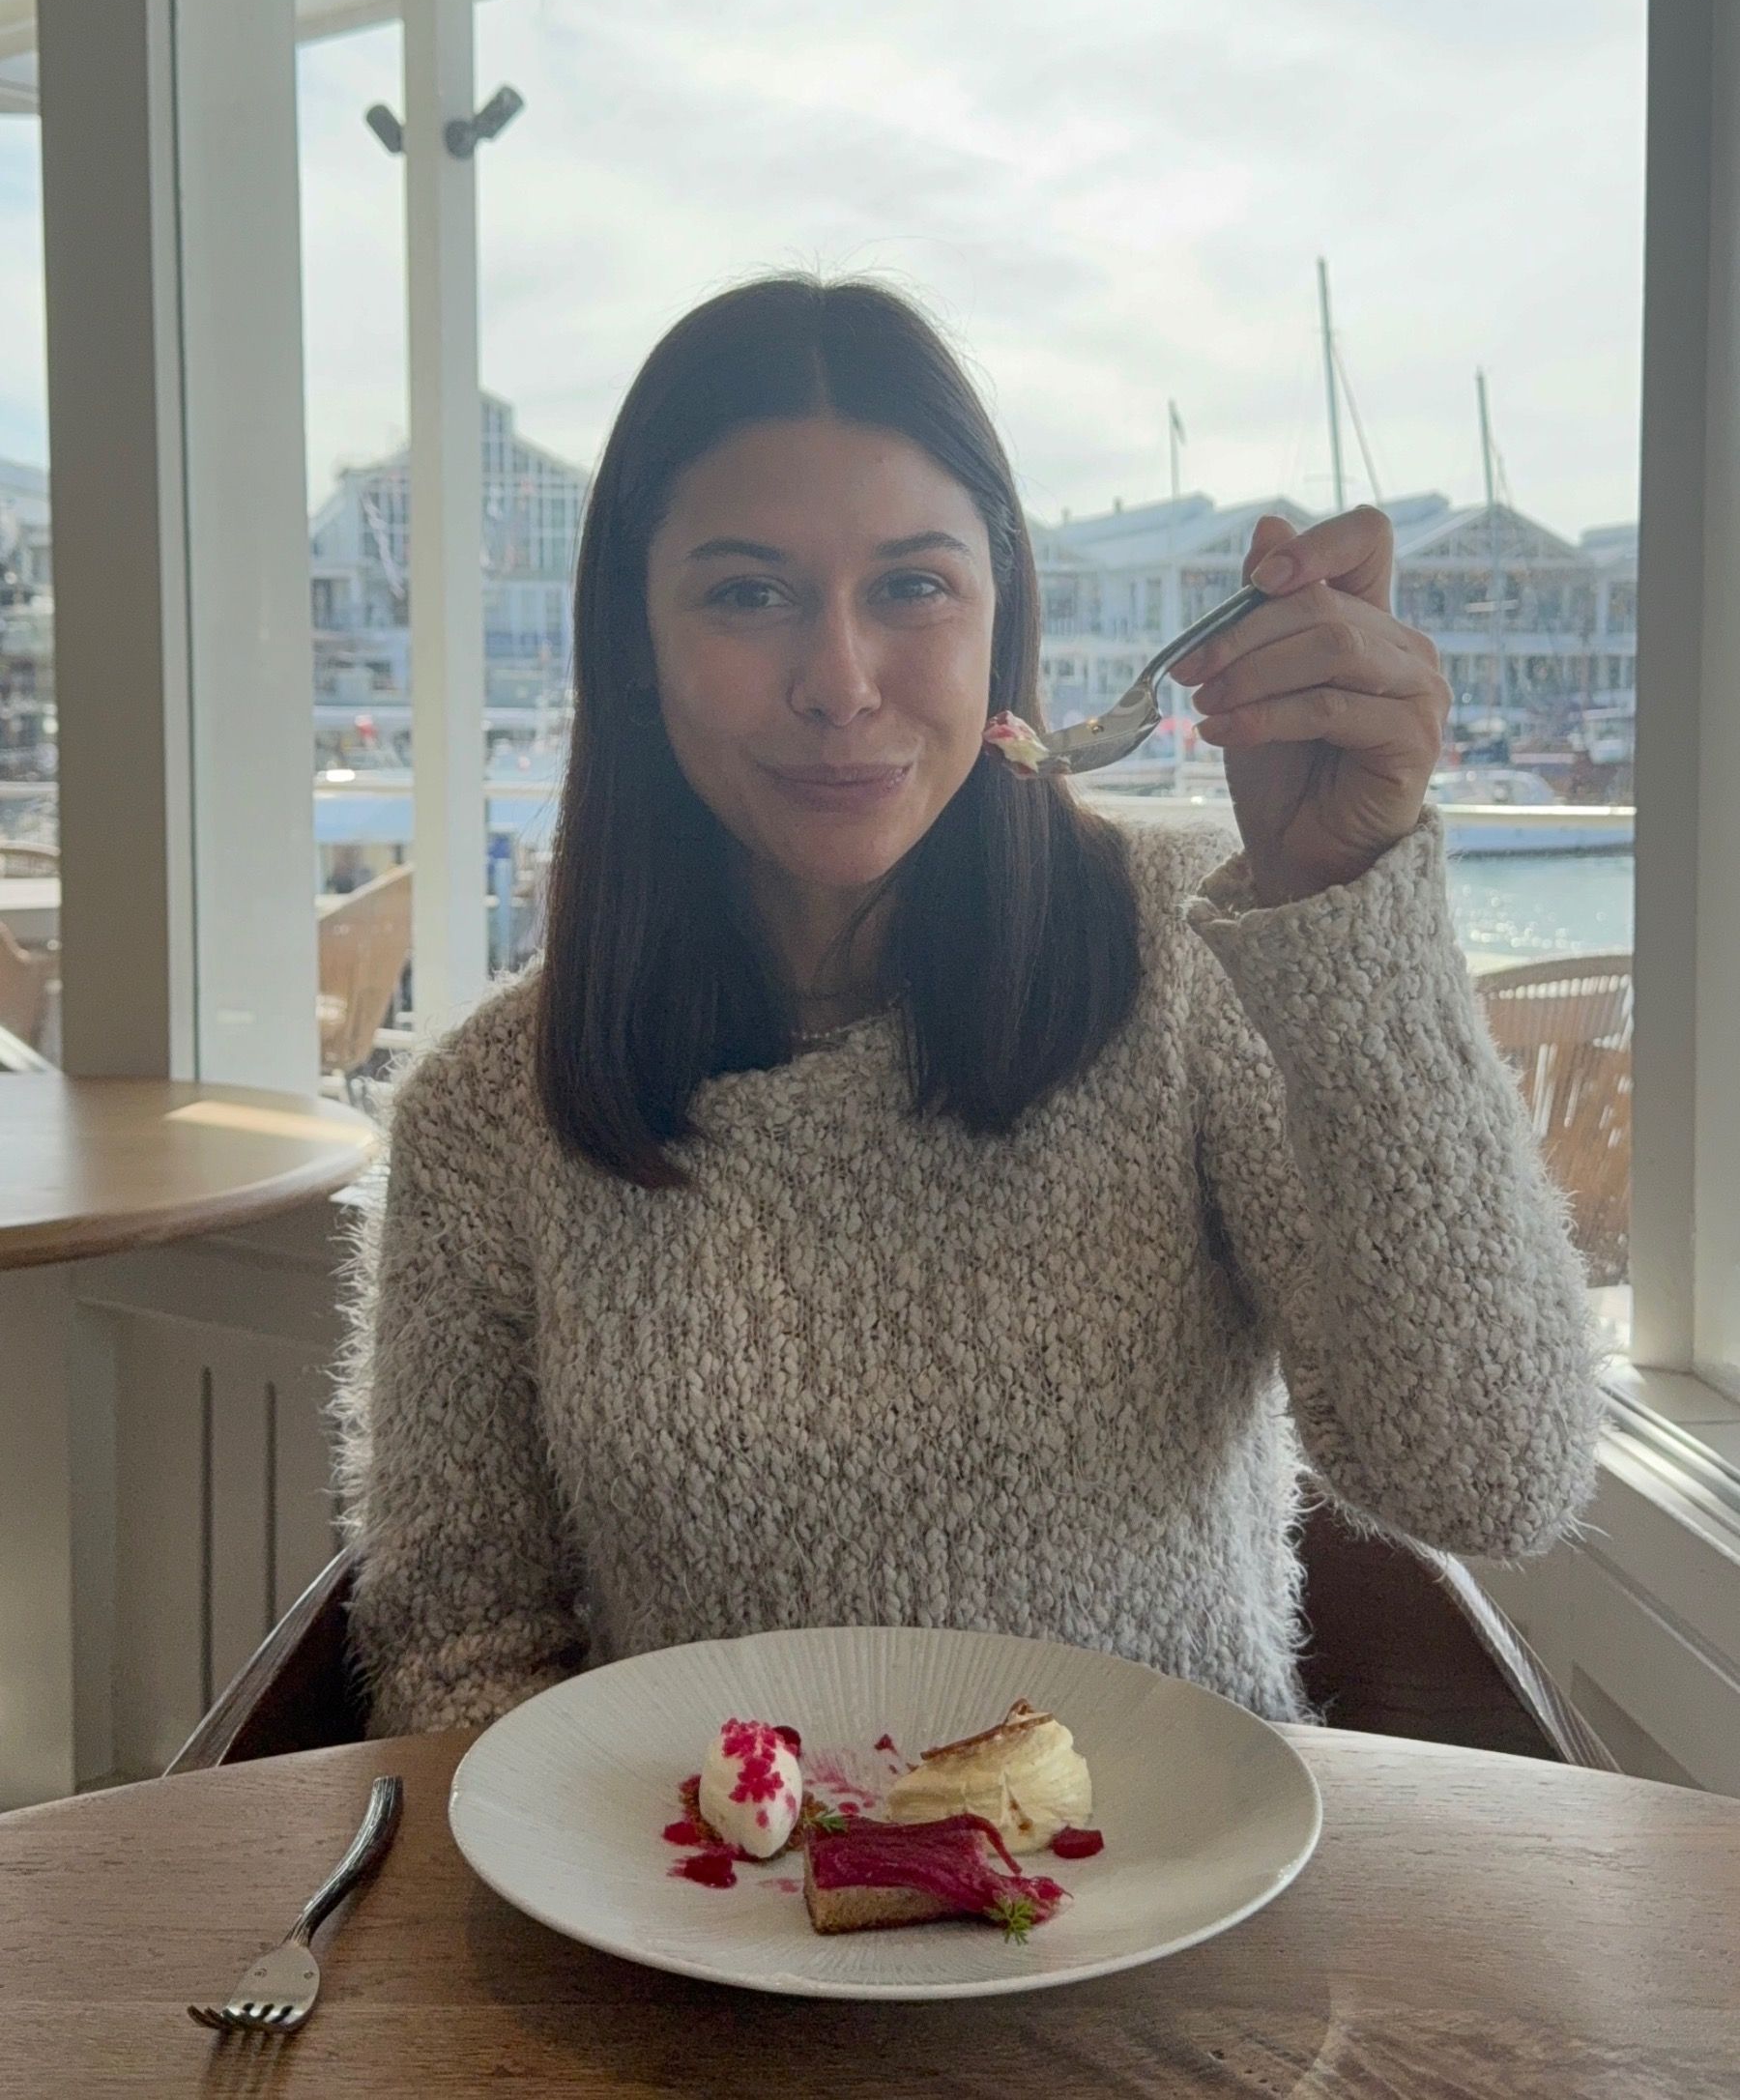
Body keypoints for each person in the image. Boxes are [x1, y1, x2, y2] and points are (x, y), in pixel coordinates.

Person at [334, 274, 1601, 1737]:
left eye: (912, 586)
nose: (842, 681)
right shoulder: (492, 1113)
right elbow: (460, 1651)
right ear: (634, 636)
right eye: (748, 594)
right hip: (696, 1931)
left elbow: (1489, 1473)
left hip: (1170, 1922)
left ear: (1002, 617)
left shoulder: (1189, 967)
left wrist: (1351, 899)